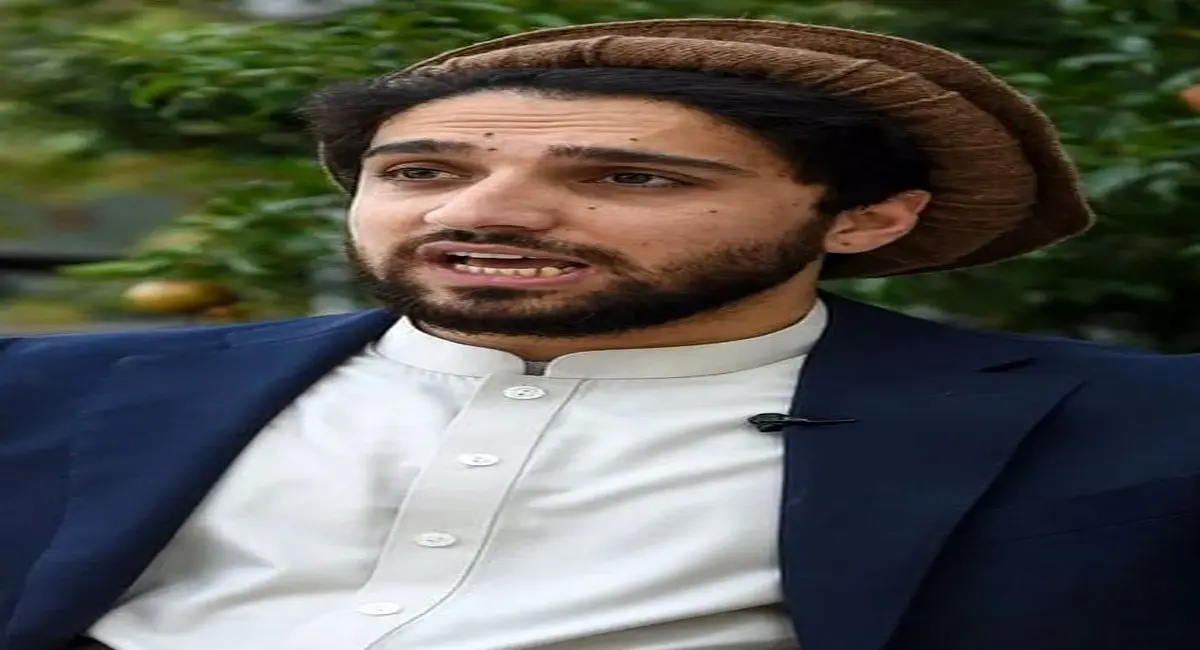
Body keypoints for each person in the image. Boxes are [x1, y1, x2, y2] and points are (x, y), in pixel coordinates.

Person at [2, 17, 1198, 650]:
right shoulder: (41, 384)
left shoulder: (1145, 428)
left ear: (867, 217)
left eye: (629, 176)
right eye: (420, 170)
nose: (483, 213)